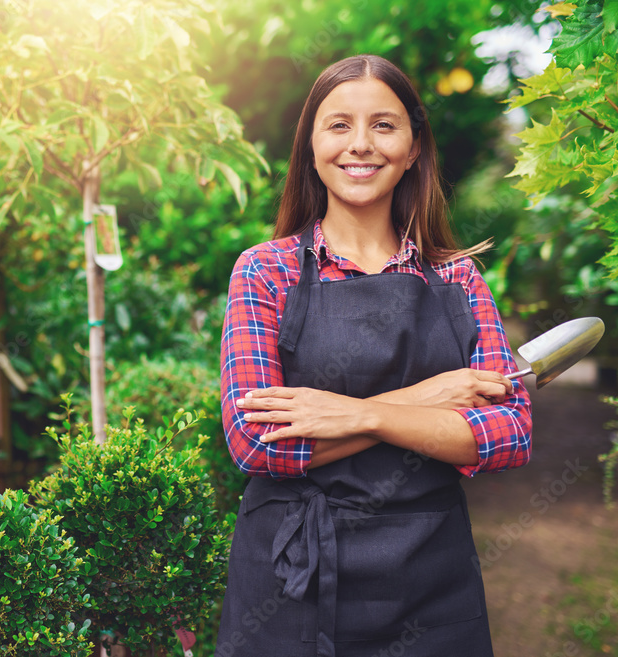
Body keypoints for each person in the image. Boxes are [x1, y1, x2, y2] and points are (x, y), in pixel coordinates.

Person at [216, 54, 532, 657]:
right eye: (339, 125)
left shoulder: (458, 278)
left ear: (413, 147)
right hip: (290, 577)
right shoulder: (266, 270)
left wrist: (360, 415)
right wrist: (426, 400)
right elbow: (255, 441)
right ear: (311, 144)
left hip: (430, 579)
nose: (360, 145)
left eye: (384, 125)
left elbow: (508, 432)